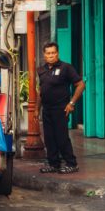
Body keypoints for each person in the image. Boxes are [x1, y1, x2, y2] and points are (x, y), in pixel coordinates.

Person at [35, 42, 85, 174]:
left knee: (61, 137)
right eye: (48, 53)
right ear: (44, 55)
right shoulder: (41, 70)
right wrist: (36, 109)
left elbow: (81, 85)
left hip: (61, 109)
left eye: (53, 53)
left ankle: (71, 163)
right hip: (47, 109)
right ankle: (53, 164)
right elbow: (41, 91)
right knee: (49, 138)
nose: (51, 55)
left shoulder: (66, 68)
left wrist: (71, 103)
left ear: (57, 53)